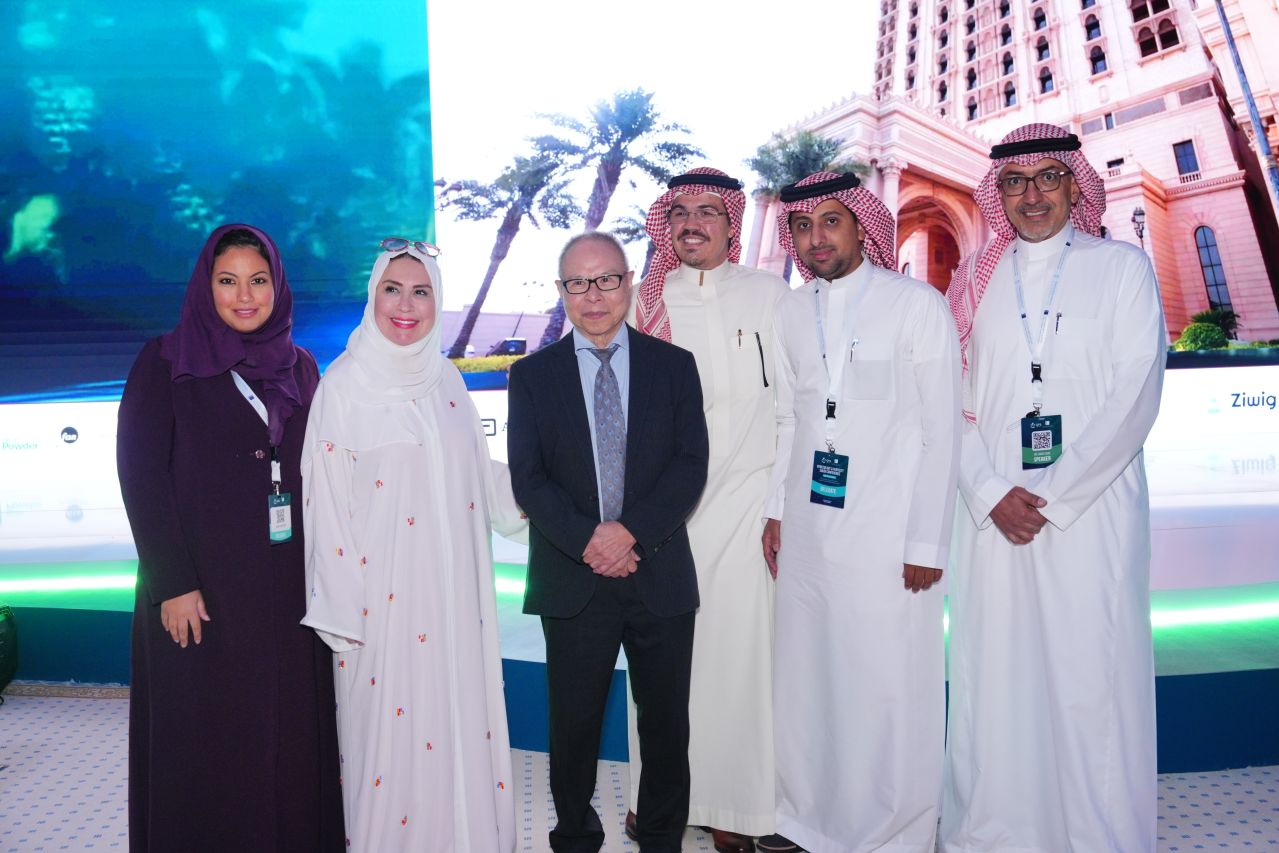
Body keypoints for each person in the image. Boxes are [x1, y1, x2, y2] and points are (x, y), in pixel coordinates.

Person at [940, 123, 1166, 852]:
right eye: (1014, 181)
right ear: (997, 192)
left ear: (1074, 183)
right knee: (995, 677)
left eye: (1046, 177)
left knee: (1090, 676)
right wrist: (988, 490)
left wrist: (1056, 494)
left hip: (1091, 514)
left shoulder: (1121, 267)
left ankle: (1098, 836)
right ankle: (994, 834)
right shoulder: (972, 281)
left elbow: (1136, 390)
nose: (1031, 194)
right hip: (991, 515)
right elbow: (946, 400)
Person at [117, 224, 343, 852]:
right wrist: (172, 583)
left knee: (287, 738)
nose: (245, 296)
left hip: (287, 594)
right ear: (205, 286)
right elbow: (140, 475)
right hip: (199, 593)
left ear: (278, 286)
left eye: (258, 280)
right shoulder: (165, 361)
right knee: (206, 741)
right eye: (228, 281)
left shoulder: (301, 366)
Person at [300, 239, 524, 852]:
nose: (406, 306)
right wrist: (345, 614)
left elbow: (477, 477)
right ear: (372, 297)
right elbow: (325, 506)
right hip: (382, 613)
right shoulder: (342, 386)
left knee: (460, 726)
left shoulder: (446, 379)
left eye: (420, 292)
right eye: (392, 290)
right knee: (387, 749)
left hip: (456, 607)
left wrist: (556, 499)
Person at [760, 173, 961, 853]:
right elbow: (788, 418)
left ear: (860, 225)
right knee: (808, 677)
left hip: (888, 531)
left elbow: (941, 431)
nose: (814, 238)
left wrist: (926, 540)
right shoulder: (791, 313)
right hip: (808, 529)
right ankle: (804, 817)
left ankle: (892, 832)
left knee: (885, 682)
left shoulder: (915, 305)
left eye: (830, 221)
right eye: (801, 226)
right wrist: (774, 510)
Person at [507, 231, 710, 853]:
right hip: (573, 577)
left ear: (628, 283)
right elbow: (529, 478)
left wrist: (629, 534)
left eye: (606, 280)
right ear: (561, 290)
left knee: (666, 724)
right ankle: (574, 834)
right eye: (578, 283)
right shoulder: (532, 376)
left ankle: (660, 837)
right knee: (573, 724)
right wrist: (590, 541)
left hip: (659, 571)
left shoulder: (673, 366)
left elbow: (690, 465)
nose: (593, 296)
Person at [627, 167, 787, 852]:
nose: (692, 223)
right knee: (660, 663)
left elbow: (792, 403)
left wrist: (779, 503)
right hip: (665, 515)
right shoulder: (643, 300)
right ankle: (660, 797)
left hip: (747, 504)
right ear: (666, 223)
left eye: (708, 211)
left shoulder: (768, 294)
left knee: (740, 659)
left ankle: (737, 807)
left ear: (731, 223)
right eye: (680, 212)